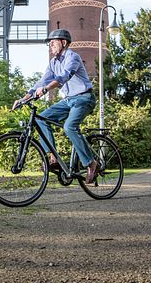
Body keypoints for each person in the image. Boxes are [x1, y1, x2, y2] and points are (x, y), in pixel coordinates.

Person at [13, 29, 98, 184]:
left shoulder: (73, 57)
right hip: (68, 100)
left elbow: (64, 77)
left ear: (63, 43)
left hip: (84, 98)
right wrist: (23, 98)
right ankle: (53, 157)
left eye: (53, 42)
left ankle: (91, 163)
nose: (50, 45)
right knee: (41, 119)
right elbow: (42, 82)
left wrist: (46, 90)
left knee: (70, 127)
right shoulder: (53, 63)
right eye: (49, 43)